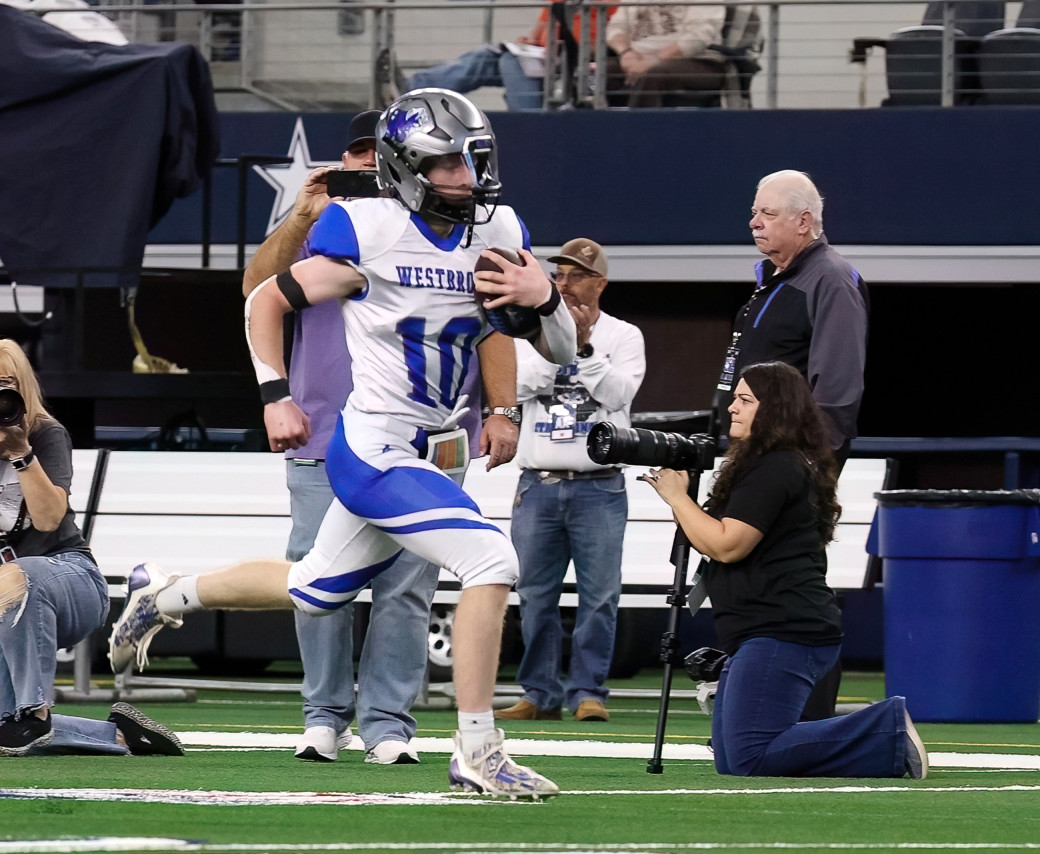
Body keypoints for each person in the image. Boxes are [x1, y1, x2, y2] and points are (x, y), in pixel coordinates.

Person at [110, 89, 575, 798]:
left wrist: (545, 300)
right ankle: (478, 750)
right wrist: (275, 395)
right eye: (447, 162)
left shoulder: (498, 227)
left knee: (314, 587)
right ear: (408, 165)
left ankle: (169, 594)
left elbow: (559, 347)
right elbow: (264, 299)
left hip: (438, 447)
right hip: (376, 445)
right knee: (491, 558)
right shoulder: (367, 228)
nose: (466, 177)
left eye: (472, 159)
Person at [241, 109, 480, 766]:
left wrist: (503, 408)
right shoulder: (333, 226)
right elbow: (256, 289)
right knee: (319, 579)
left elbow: (492, 318)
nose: (371, 169)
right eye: (360, 157)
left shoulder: (450, 227)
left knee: (407, 585)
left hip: (419, 434)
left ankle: (388, 722)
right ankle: (323, 714)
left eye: (382, 157)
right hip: (324, 428)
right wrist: (301, 214)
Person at [643, 361, 927, 778]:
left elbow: (727, 545)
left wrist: (677, 498)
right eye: (734, 398)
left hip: (783, 629)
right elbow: (715, 537)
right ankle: (883, 744)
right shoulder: (768, 464)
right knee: (731, 757)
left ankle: (886, 727)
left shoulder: (775, 466)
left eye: (745, 400)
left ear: (774, 409)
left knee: (749, 757)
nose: (732, 409)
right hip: (766, 628)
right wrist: (683, 506)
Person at [0, 338, 183, 758]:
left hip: (66, 579)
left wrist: (19, 452)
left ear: (24, 387)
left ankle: (36, 711)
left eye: (4, 383)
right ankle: (120, 734)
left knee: (13, 577)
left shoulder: (46, 434)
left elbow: (49, 519)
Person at [713, 169, 871, 720]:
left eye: (769, 213)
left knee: (793, 580)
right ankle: (765, 708)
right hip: (761, 459)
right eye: (754, 212)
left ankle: (812, 717)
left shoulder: (829, 278)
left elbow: (839, 383)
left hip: (792, 465)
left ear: (805, 222)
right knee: (758, 578)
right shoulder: (773, 279)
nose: (755, 221)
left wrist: (812, 466)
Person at [497, 238, 646, 723]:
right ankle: (537, 693)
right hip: (537, 483)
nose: (564, 284)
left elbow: (618, 394)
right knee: (534, 595)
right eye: (557, 275)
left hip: (599, 485)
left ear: (599, 283)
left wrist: (581, 347)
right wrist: (566, 349)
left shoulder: (625, 335)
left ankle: (588, 692)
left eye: (576, 276)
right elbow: (517, 385)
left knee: (599, 595)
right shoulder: (526, 329)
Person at [405, 2, 613, 110]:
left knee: (508, 59)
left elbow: (598, 46)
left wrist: (556, 47)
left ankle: (528, 119)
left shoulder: (605, 5)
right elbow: (541, 26)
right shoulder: (559, 2)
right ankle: (409, 88)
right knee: (485, 58)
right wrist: (529, 40)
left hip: (569, 65)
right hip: (540, 58)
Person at [604, 1, 728, 107]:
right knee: (594, 73)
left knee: (654, 75)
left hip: (698, 61)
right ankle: (596, 126)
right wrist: (626, 53)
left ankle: (638, 130)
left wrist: (654, 60)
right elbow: (615, 27)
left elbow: (699, 37)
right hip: (636, 58)